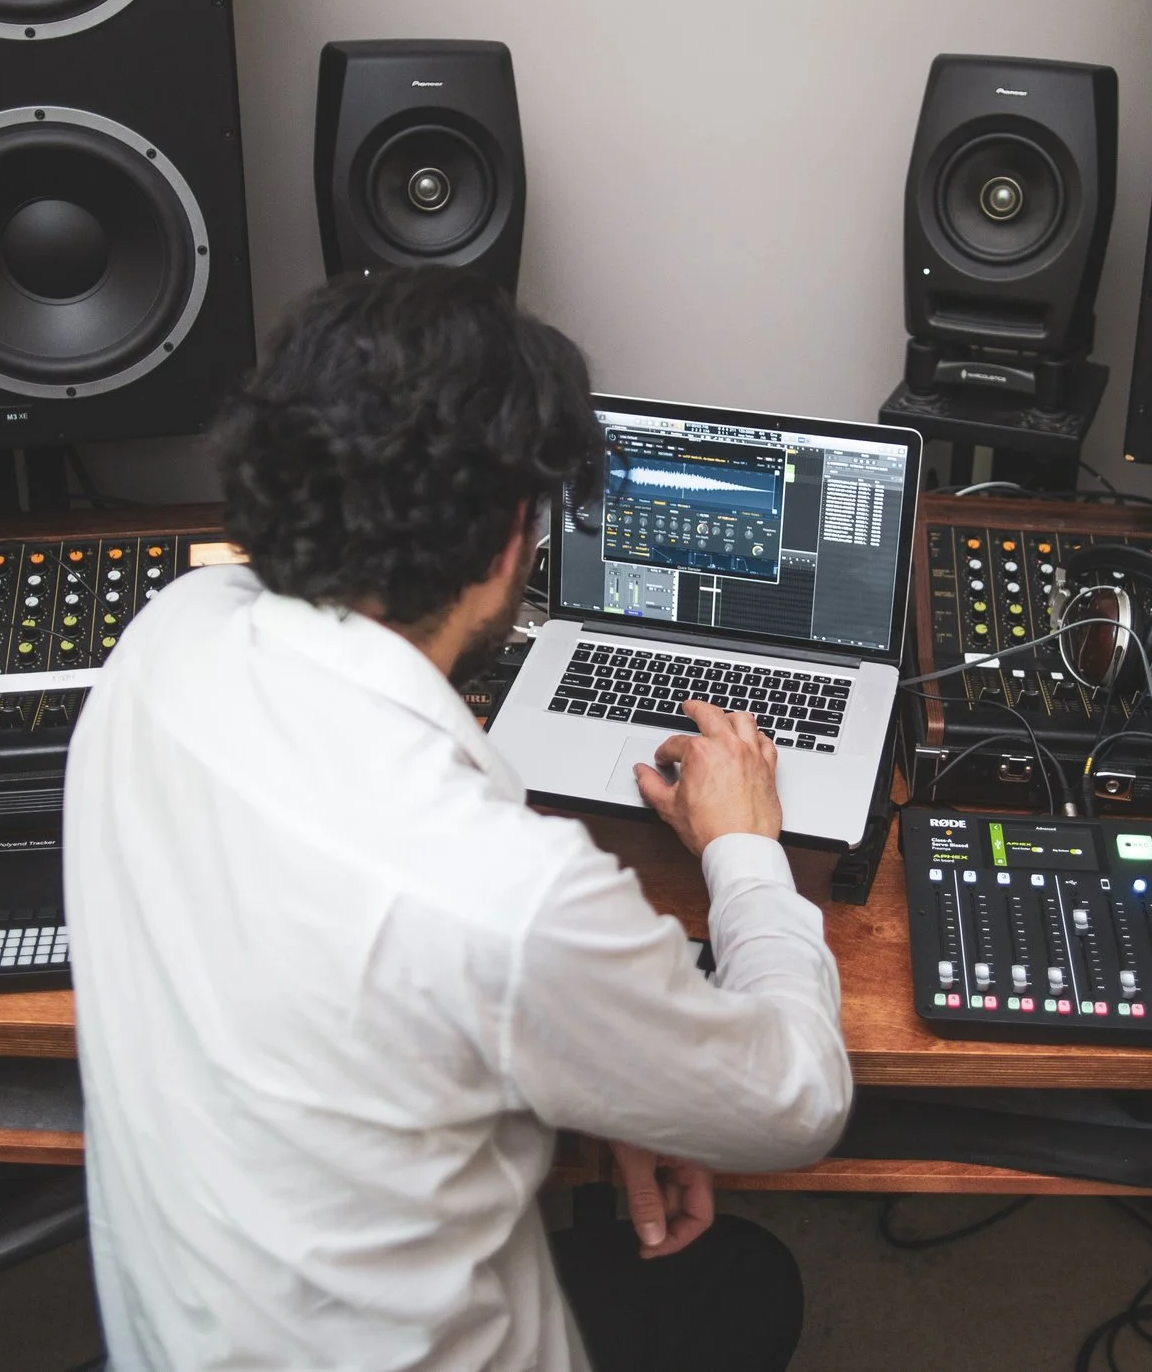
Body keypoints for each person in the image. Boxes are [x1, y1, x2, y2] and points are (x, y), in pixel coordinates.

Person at [65, 269, 852, 1372]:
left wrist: (603, 1065)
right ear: (505, 548)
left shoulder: (166, 638)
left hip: (175, 1333)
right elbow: (798, 1099)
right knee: (747, 1283)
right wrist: (746, 848)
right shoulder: (514, 897)